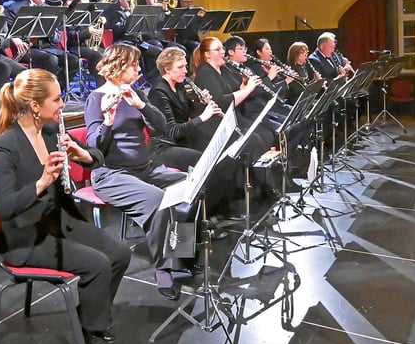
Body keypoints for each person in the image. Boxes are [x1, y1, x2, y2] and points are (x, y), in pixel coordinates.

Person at [0, 68, 131, 344]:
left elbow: (96, 157)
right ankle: (92, 337)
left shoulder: (52, 132)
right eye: (56, 99)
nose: (62, 105)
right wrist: (41, 183)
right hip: (27, 236)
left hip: (59, 220)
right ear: (35, 106)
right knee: (97, 265)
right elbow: (5, 207)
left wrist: (83, 155)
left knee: (120, 254)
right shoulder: (7, 146)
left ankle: (90, 317)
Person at [84, 44, 189, 300]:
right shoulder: (96, 98)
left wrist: (142, 105)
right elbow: (93, 147)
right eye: (133, 65)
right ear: (118, 66)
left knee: (188, 186)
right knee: (157, 200)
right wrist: (107, 121)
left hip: (144, 168)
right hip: (111, 174)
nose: (139, 69)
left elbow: (162, 127)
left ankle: (180, 256)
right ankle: (164, 271)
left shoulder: (135, 93)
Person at [148, 47, 242, 219]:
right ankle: (204, 216)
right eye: (181, 67)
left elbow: (190, 113)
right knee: (203, 162)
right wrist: (204, 117)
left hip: (183, 141)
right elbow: (172, 131)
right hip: (164, 148)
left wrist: (202, 104)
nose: (186, 70)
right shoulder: (158, 93)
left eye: (185, 66)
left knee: (222, 154)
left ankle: (224, 207)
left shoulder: (179, 85)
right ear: (167, 69)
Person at [192, 37, 279, 199]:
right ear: (207, 55)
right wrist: (248, 90)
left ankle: (264, 187)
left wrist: (245, 85)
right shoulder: (205, 73)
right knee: (255, 141)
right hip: (217, 125)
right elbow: (222, 101)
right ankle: (255, 192)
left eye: (222, 49)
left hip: (232, 117)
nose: (222, 52)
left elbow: (234, 90)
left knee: (266, 136)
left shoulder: (223, 69)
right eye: (217, 49)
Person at [5, 0, 78, 88]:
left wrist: (50, 32)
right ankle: (45, 93)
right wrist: (15, 38)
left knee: (74, 61)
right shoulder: (16, 8)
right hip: (26, 49)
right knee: (51, 60)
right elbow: (8, 32)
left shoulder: (50, 10)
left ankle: (57, 90)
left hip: (48, 49)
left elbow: (57, 38)